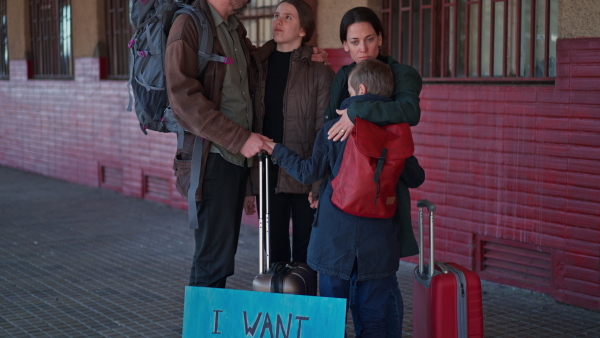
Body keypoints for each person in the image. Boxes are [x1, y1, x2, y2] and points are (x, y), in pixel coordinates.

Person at [164, 0, 328, 288]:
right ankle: (202, 330)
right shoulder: (190, 25)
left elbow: (255, 58)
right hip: (212, 158)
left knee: (222, 256)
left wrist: (303, 53)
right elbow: (183, 100)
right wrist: (240, 139)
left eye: (286, 17)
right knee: (213, 257)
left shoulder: (232, 28)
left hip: (237, 161)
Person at [265, 58, 424, 337]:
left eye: (349, 92)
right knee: (374, 320)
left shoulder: (336, 128)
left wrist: (276, 150)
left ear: (360, 90)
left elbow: (307, 172)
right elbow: (416, 178)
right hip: (379, 244)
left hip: (333, 240)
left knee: (330, 319)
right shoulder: (398, 133)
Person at [245, 0, 335, 265]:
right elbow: (251, 124)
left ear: (303, 30)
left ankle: (303, 307)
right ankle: (278, 307)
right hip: (266, 174)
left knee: (307, 259)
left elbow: (325, 132)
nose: (278, 22)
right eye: (276, 15)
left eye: (287, 17)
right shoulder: (257, 68)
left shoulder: (320, 72)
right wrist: (250, 186)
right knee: (273, 256)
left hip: (305, 175)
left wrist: (319, 185)